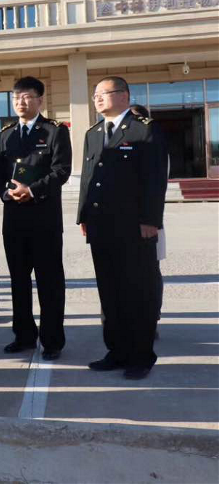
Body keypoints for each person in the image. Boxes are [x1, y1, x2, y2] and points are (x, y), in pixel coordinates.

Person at [78, 77, 167, 380]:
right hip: (101, 226)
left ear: (124, 96)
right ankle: (116, 351)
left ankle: (141, 356)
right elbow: (88, 178)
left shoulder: (145, 129)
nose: (97, 99)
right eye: (95, 95)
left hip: (134, 227)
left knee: (137, 292)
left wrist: (151, 221)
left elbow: (155, 179)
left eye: (104, 94)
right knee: (110, 292)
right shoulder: (93, 133)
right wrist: (84, 216)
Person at [0, 76, 71, 361]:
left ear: (40, 100)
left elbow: (61, 170)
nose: (20, 102)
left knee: (50, 282)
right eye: (16, 98)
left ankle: (52, 340)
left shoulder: (54, 131)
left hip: (44, 219)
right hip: (14, 220)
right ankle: (23, 335)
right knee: (18, 281)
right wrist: (5, 192)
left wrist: (32, 190)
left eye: (26, 97)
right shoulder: (6, 134)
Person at [129, 104, 167, 327]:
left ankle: (152, 315)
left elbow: (156, 183)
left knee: (150, 270)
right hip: (123, 219)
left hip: (149, 218)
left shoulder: (153, 142)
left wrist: (151, 220)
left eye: (134, 118)